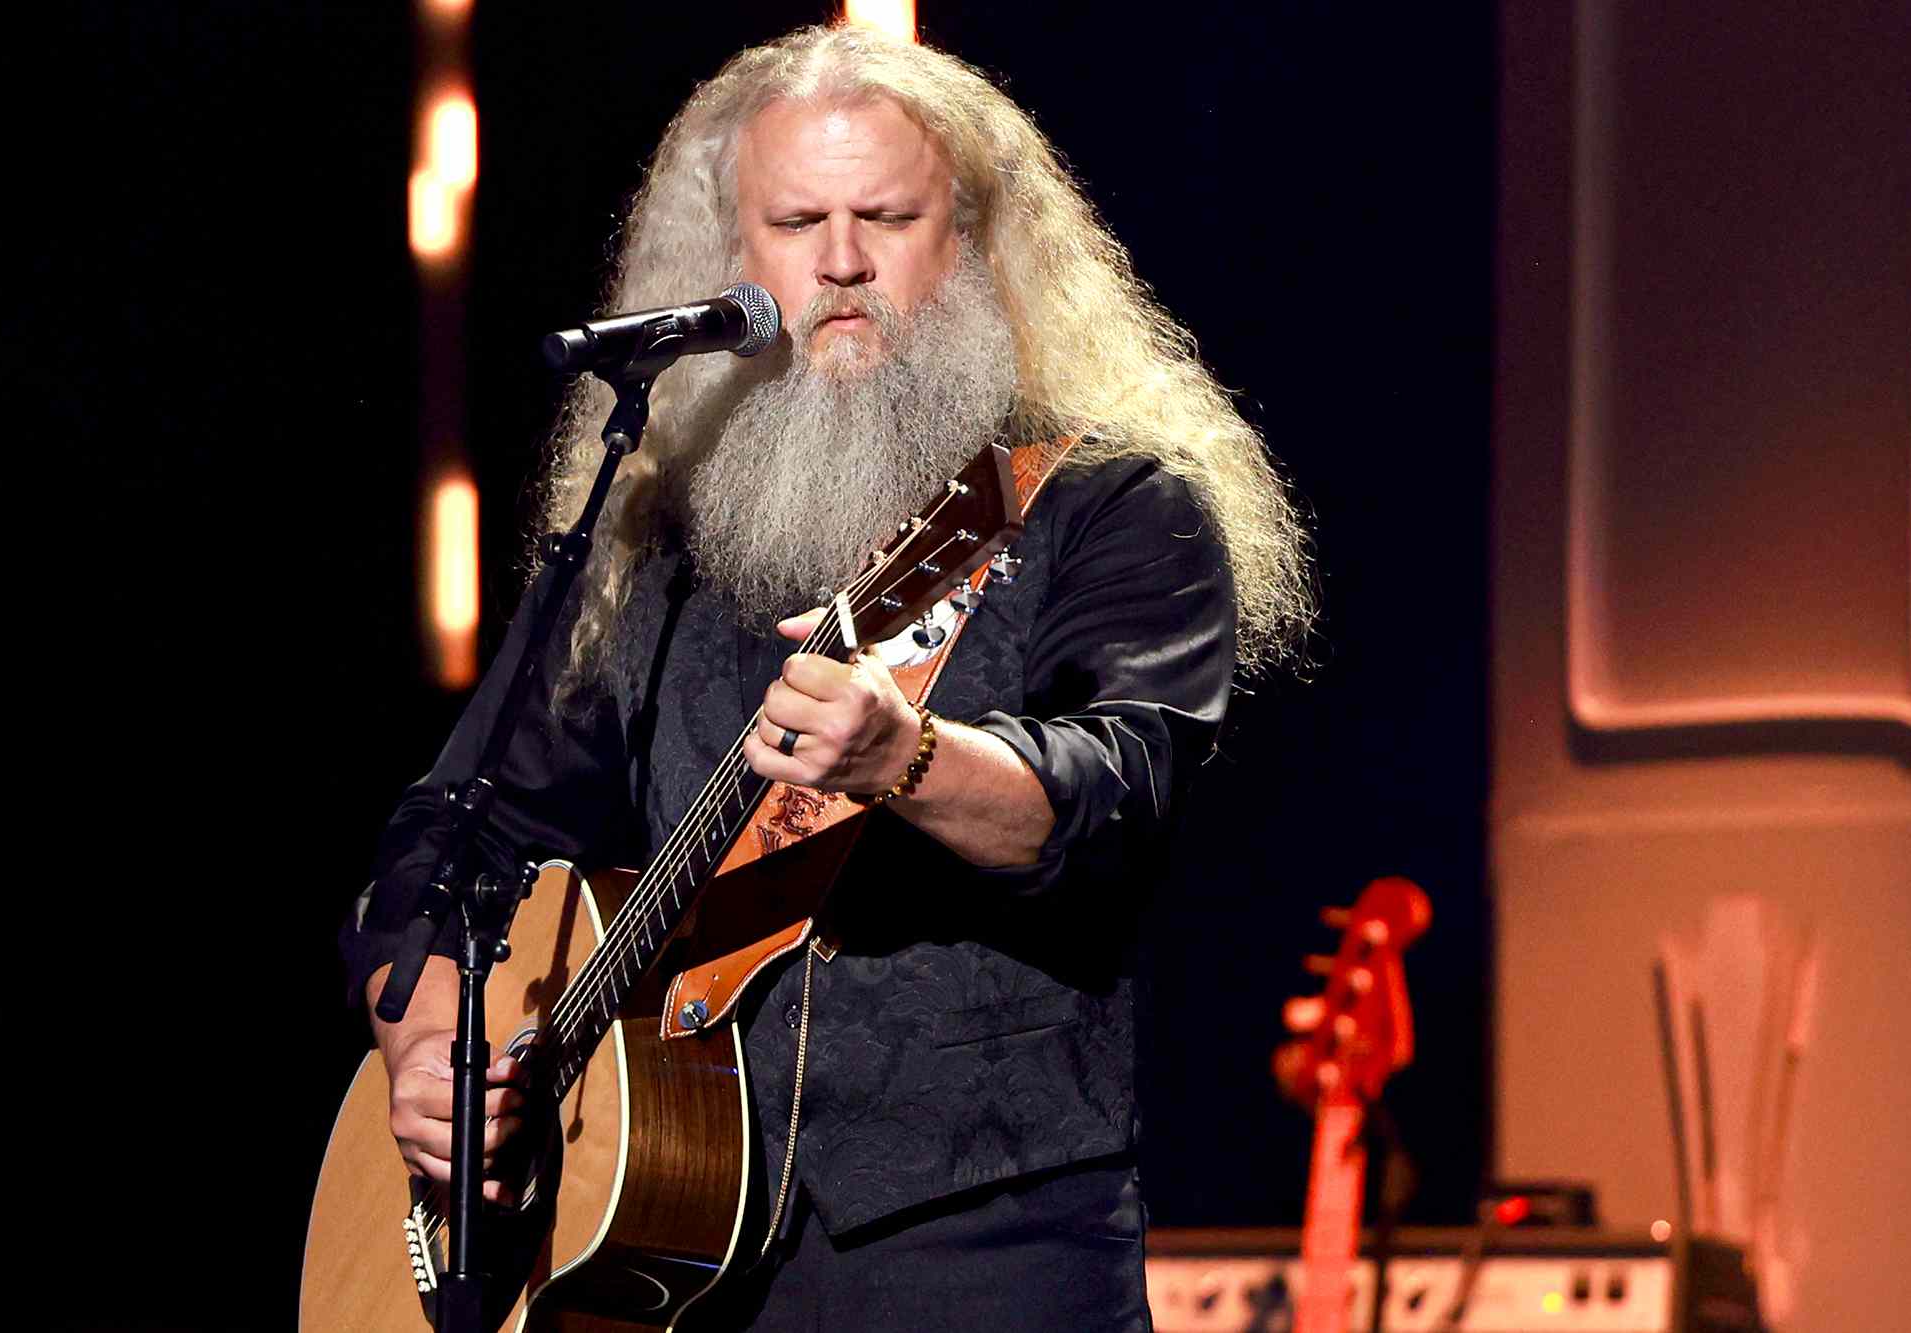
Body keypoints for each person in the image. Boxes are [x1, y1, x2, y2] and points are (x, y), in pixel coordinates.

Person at [340, 23, 1313, 1330]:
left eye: (886, 216)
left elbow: (1118, 794)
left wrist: (905, 757)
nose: (841, 261)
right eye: (798, 220)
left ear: (969, 239)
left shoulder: (1111, 507)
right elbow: (452, 830)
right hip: (671, 1260)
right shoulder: (659, 548)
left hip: (983, 1245)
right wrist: (428, 1042)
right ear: (735, 259)